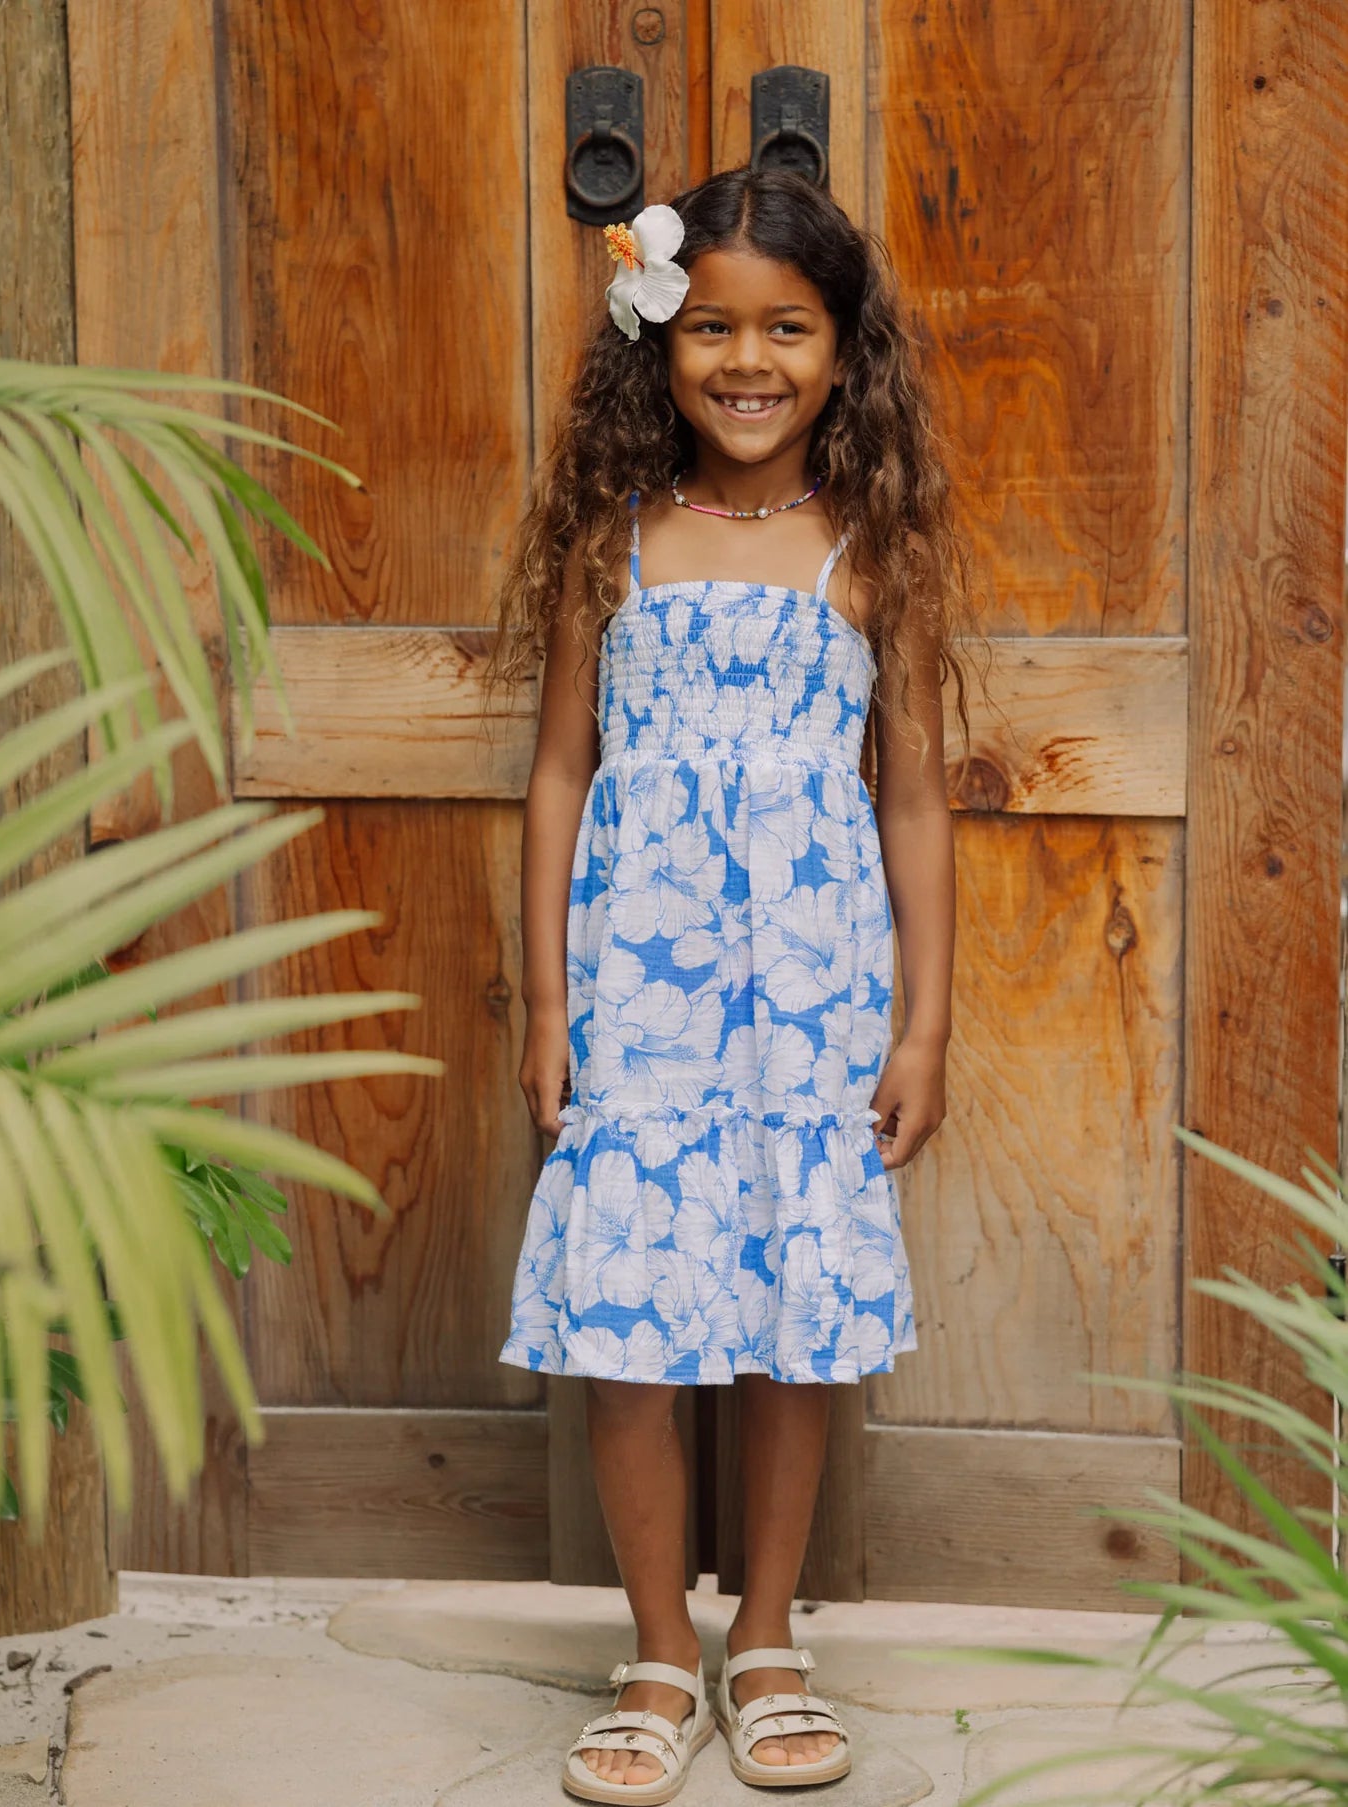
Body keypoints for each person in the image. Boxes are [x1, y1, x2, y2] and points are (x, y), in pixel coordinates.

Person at [487, 166, 973, 1802]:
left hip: (811, 1008)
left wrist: (922, 1025)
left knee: (787, 1323)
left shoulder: (868, 551)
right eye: (710, 327)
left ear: (843, 352)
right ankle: (653, 1649)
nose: (747, 361)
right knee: (629, 1323)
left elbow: (913, 798)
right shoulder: (610, 542)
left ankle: (763, 1637)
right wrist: (546, 1004)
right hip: (637, 1001)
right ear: (658, 338)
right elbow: (559, 774)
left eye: (788, 328)